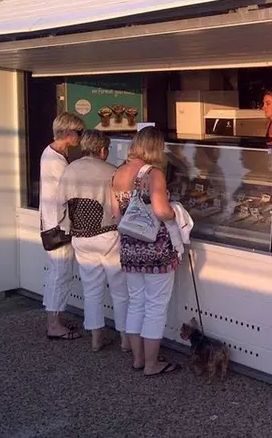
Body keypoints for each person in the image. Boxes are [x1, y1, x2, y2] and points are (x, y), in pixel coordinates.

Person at [111, 127, 180, 377]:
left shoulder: (118, 172)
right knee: (155, 307)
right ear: (155, 147)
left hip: (129, 248)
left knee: (136, 304)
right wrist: (177, 213)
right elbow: (161, 211)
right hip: (155, 250)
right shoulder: (153, 173)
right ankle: (152, 364)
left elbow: (116, 215)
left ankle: (138, 359)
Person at [57, 130, 129, 352]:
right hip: (108, 235)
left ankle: (96, 338)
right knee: (119, 290)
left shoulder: (69, 170)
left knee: (92, 290)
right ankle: (126, 339)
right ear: (102, 149)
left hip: (80, 236)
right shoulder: (111, 172)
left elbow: (59, 203)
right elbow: (123, 203)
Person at [40, 112, 85, 340]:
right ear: (68, 133)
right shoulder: (56, 160)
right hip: (59, 225)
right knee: (61, 274)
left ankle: (54, 317)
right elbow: (70, 191)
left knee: (56, 273)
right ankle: (54, 325)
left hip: (51, 222)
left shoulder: (52, 153)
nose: (80, 136)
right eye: (79, 132)